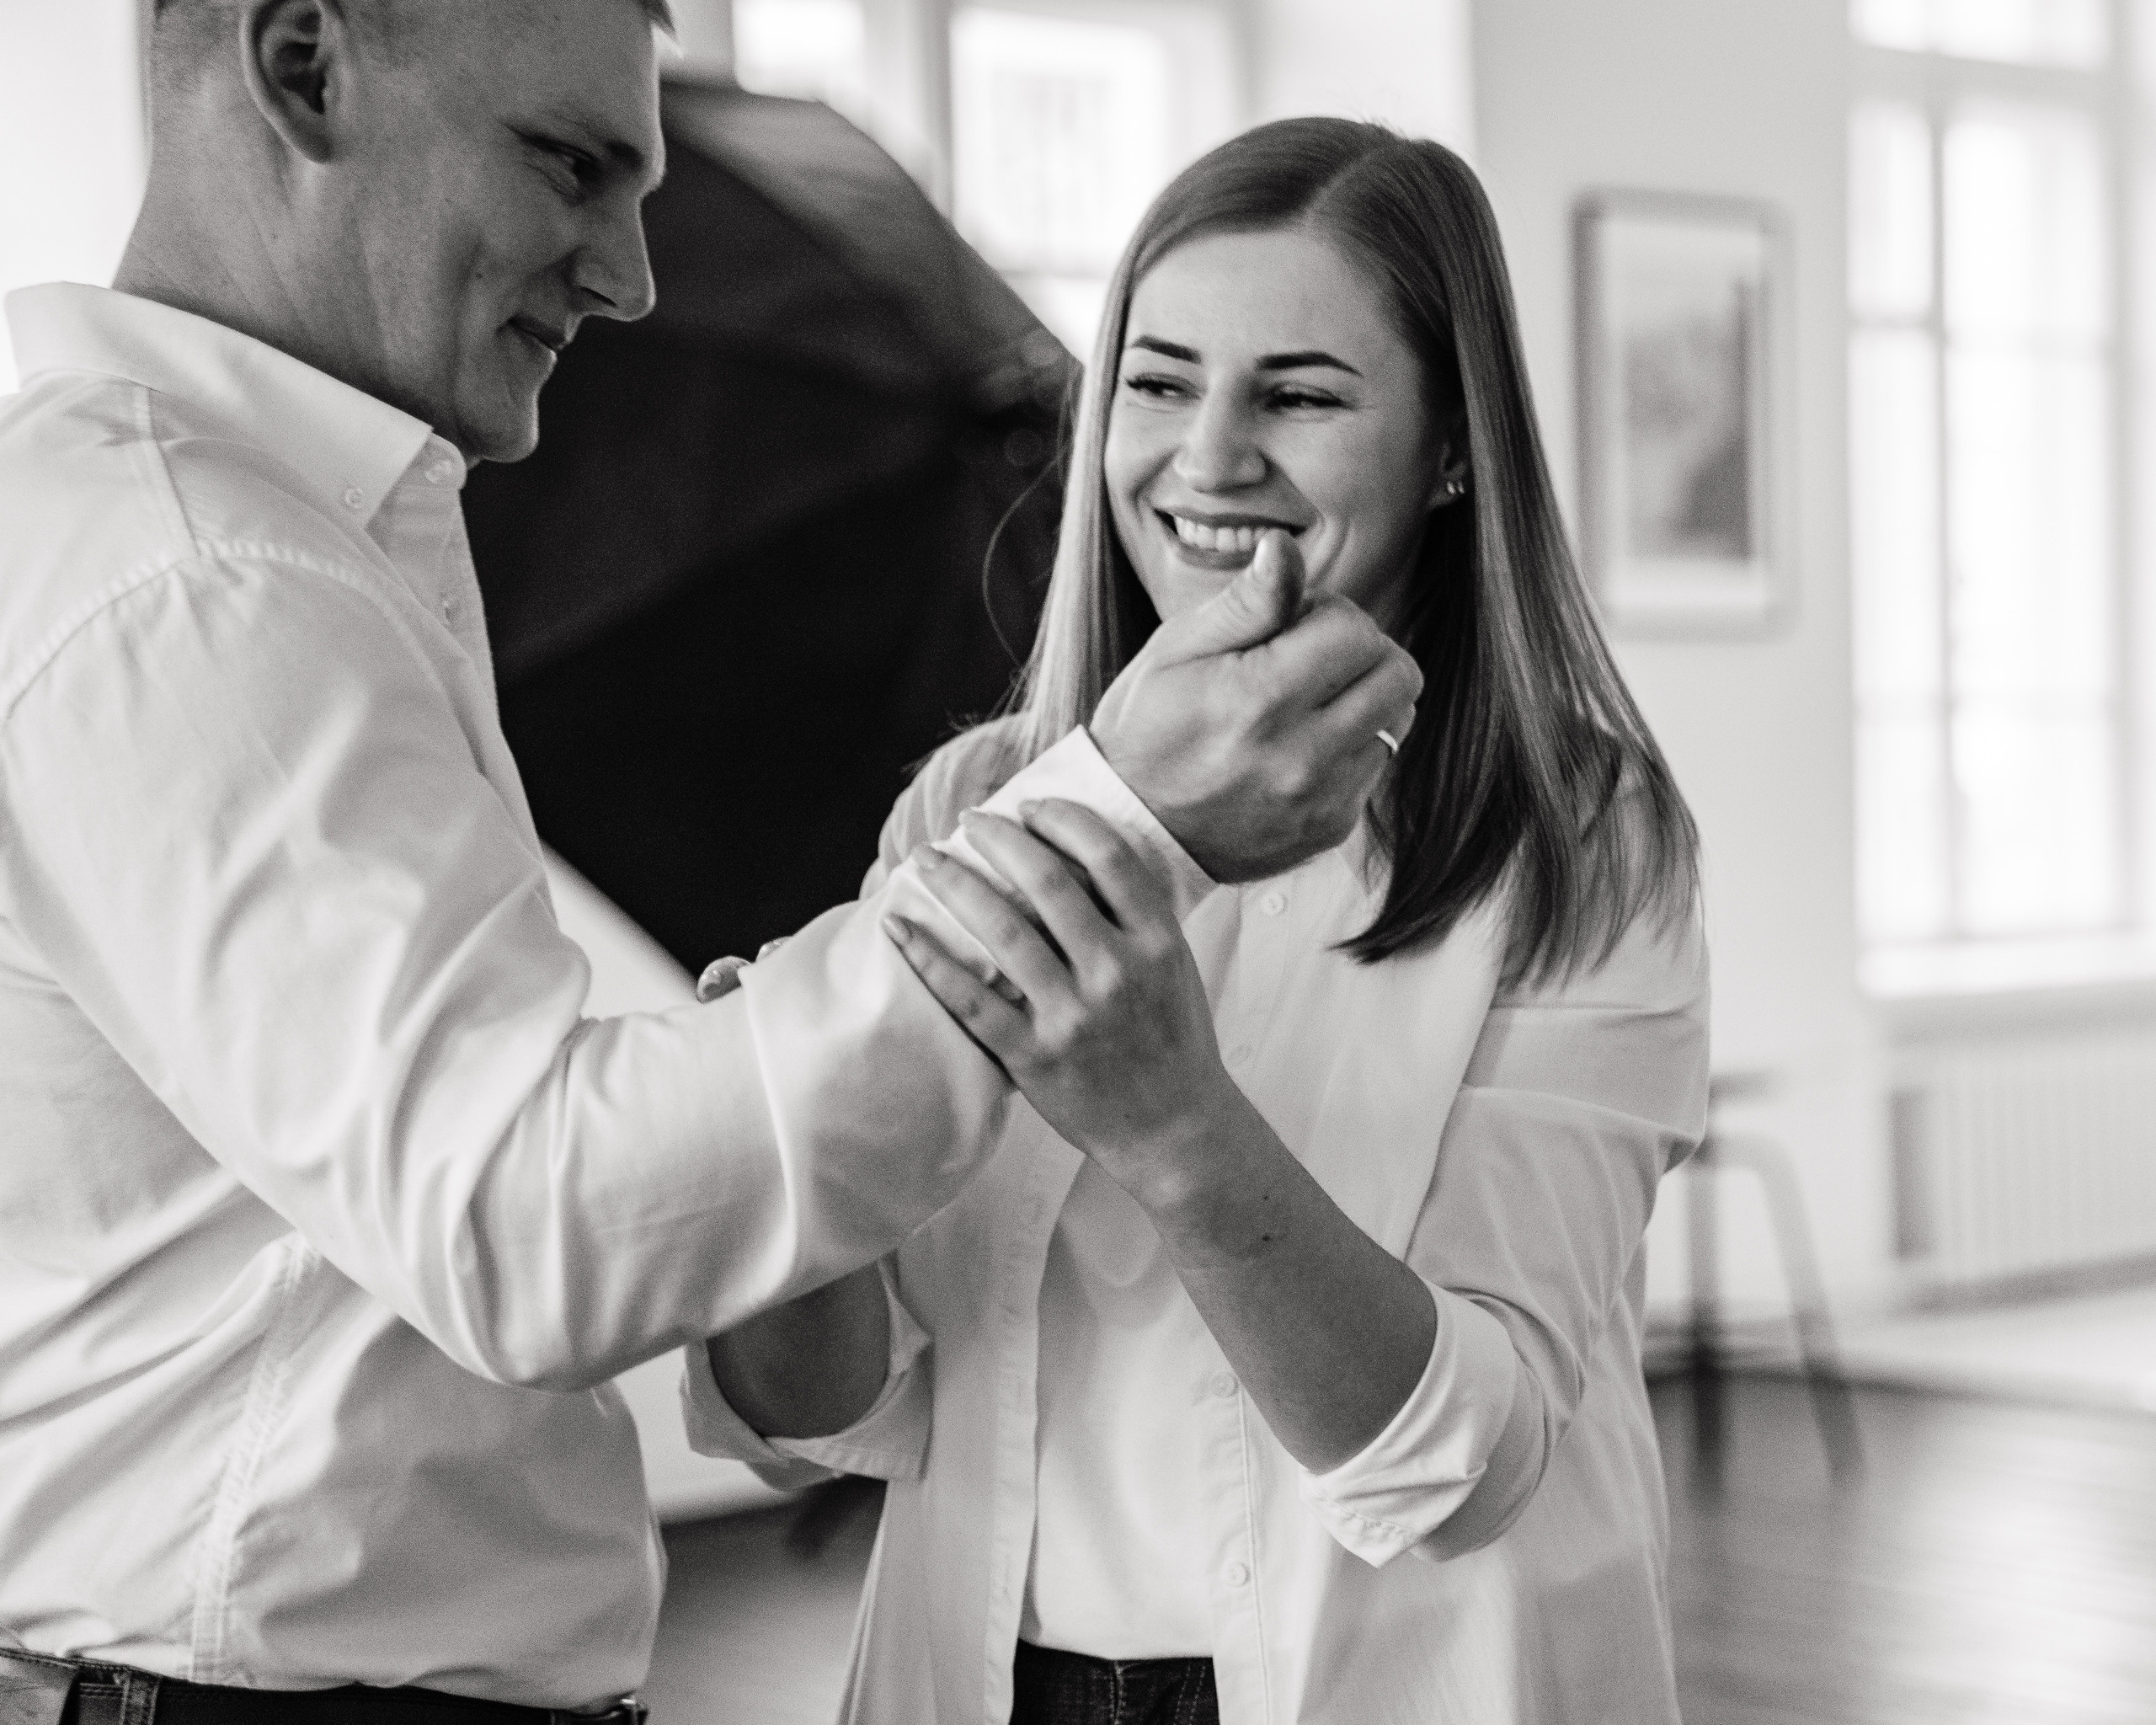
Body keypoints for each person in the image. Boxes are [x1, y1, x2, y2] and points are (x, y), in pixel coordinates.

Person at [0, 5, 1421, 1719]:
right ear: (303, 63)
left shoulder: (270, 544)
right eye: (567, 166)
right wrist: (1115, 823)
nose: (626, 275)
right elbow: (524, 1221)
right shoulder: (191, 581)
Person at [695, 119, 1710, 1725]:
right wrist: (777, 1145)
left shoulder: (1583, 842)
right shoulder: (976, 803)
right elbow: (826, 1413)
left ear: (1454, 449)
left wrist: (1173, 1121)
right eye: (1160, 383)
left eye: (1298, 394)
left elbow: (1469, 1461)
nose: (1209, 458)